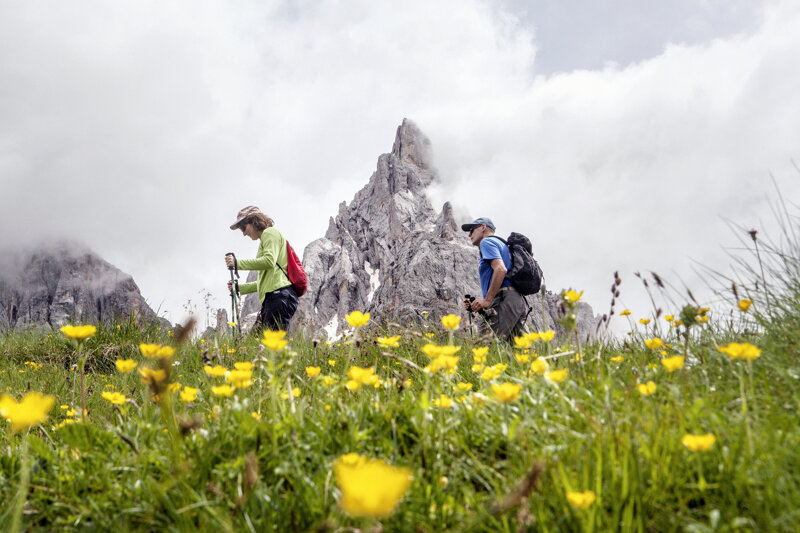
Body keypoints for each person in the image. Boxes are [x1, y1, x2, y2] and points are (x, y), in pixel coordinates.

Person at [225, 206, 298, 332]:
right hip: (275, 298)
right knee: (258, 345)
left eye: (243, 227)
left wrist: (237, 264)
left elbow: (269, 262)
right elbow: (264, 282)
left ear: (254, 221)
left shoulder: (270, 233)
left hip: (279, 297)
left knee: (271, 346)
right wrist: (240, 288)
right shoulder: (265, 239)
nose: (244, 233)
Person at [461, 217, 527, 342]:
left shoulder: (487, 242)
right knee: (519, 352)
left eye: (471, 230)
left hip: (504, 299)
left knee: (484, 348)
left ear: (483, 227)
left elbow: (501, 269)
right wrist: (480, 305)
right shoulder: (503, 246)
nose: (469, 235)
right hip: (516, 300)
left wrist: (487, 300)